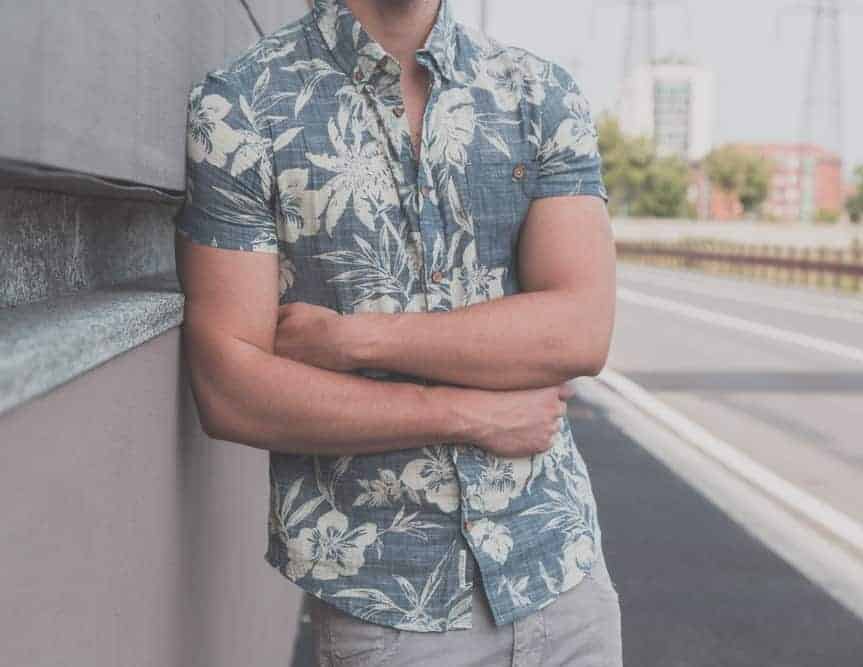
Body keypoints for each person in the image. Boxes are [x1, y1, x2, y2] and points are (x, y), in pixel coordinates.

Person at [172, 0, 620, 663]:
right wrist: (470, 414)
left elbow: (579, 329)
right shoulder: (242, 105)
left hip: (563, 580)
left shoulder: (539, 94)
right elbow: (230, 388)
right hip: (385, 610)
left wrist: (358, 340)